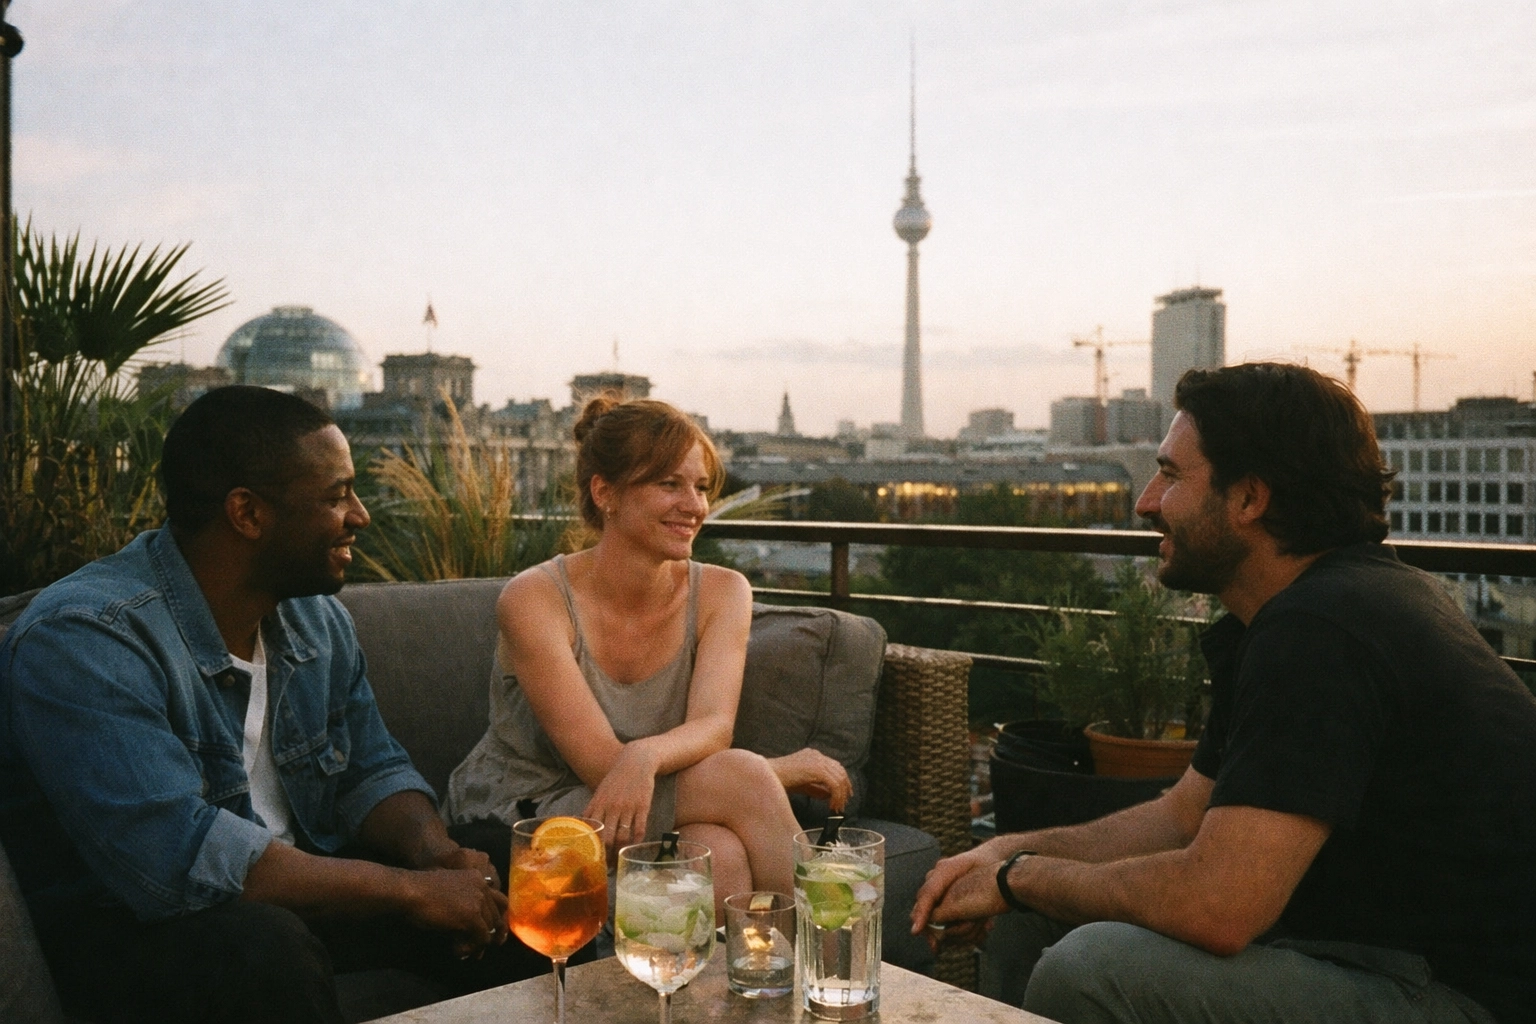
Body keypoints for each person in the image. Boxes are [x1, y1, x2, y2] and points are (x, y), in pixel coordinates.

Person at [912, 363, 1536, 1024]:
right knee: (1028, 916)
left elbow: (1220, 906)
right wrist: (1007, 856)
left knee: (1091, 970)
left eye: (1172, 475)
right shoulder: (1305, 610)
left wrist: (1024, 879)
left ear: (1248, 499)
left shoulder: (1326, 628)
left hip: (1464, 996)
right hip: (1370, 952)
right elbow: (1182, 817)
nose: (1145, 500)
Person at [0, 386, 546, 1024]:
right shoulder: (87, 640)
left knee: (512, 866)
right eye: (336, 496)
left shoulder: (314, 619)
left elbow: (370, 770)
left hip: (294, 896)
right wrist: (407, 892)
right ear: (247, 514)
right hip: (138, 927)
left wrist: (436, 857)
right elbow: (181, 857)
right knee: (263, 949)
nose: (361, 516)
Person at [444, 395, 850, 909]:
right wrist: (775, 772)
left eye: (700, 487)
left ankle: (750, 984)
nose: (696, 506)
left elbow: (714, 726)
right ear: (605, 493)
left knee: (719, 853)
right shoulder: (535, 599)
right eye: (669, 484)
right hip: (525, 816)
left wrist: (647, 752)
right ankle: (832, 957)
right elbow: (601, 768)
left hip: (636, 797)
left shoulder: (723, 592)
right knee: (742, 785)